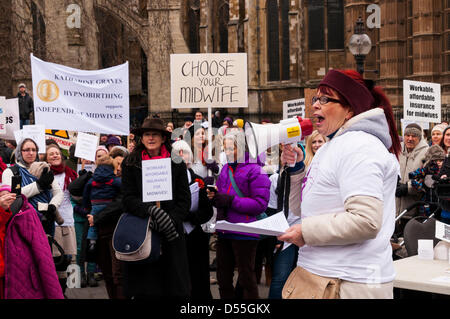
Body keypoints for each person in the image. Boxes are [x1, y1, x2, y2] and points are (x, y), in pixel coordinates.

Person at [278, 69, 401, 299]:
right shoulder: (333, 147)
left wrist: (306, 231)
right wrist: (296, 170)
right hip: (324, 278)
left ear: (350, 109)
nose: (315, 105)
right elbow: (303, 210)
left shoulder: (360, 146)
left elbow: (365, 221)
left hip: (348, 283)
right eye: (316, 98)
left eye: (325, 99)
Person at [121, 117, 191, 298]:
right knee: (146, 288)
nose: (150, 138)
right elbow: (128, 198)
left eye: (155, 135)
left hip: (170, 233)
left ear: (163, 138)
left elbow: (184, 201)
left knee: (172, 287)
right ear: (141, 138)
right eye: (146, 134)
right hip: (143, 231)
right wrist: (150, 211)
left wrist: (169, 219)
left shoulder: (176, 163)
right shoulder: (130, 163)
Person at [206, 130, 271, 299]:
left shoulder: (257, 170)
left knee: (247, 278)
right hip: (224, 229)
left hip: (245, 231)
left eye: (231, 148)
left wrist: (230, 200)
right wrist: (215, 198)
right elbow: (222, 197)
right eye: (225, 149)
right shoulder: (226, 168)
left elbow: (260, 204)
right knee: (223, 278)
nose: (227, 153)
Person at [0, 183, 64, 299]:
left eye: (8, 195)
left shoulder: (26, 213)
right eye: (2, 196)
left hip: (25, 284)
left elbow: (43, 256)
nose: (6, 198)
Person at [172, 139, 214, 299]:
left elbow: (207, 211)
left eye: (185, 152)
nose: (182, 156)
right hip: (175, 235)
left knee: (199, 279)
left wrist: (191, 217)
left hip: (195, 237)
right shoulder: (167, 181)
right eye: (178, 153)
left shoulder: (198, 180)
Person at [86, 148, 127, 299]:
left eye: (122, 165)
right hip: (100, 231)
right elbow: (76, 190)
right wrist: (87, 177)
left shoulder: (122, 183)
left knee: (118, 274)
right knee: (107, 273)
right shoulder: (98, 181)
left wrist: (97, 217)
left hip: (118, 231)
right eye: (116, 165)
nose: (119, 169)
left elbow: (119, 203)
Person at [2, 138, 64, 236]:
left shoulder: (43, 168)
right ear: (19, 152)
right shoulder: (10, 172)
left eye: (34, 150)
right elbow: (13, 197)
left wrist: (52, 206)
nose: (31, 153)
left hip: (45, 221)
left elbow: (58, 192)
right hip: (22, 224)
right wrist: (38, 186)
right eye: (26, 150)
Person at [44, 144, 78, 295]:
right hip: (51, 222)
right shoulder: (43, 174)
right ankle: (55, 292)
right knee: (54, 260)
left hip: (67, 221)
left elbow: (78, 196)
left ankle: (63, 291)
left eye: (57, 153)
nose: (55, 156)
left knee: (67, 259)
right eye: (51, 154)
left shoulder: (70, 173)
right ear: (46, 158)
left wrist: (82, 180)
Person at [396, 123, 429, 219]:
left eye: (414, 136)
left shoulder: (426, 153)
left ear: (419, 138)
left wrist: (408, 187)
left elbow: (427, 178)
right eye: (407, 135)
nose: (410, 138)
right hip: (393, 208)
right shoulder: (396, 149)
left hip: (413, 209)